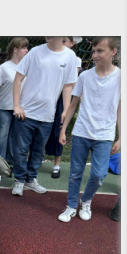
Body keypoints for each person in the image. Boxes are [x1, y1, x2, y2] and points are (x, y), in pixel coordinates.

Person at [58, 37, 121, 222]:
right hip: (81, 132)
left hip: (105, 134)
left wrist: (121, 137)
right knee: (75, 173)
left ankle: (86, 200)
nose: (95, 55)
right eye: (93, 51)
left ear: (113, 52)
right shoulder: (85, 76)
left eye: (100, 51)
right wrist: (63, 129)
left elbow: (120, 108)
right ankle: (71, 206)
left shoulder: (121, 77)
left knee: (99, 174)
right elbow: (73, 104)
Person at [11, 36, 78, 196]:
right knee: (20, 150)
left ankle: (31, 179)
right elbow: (18, 79)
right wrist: (16, 106)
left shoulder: (70, 56)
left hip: (48, 115)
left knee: (38, 151)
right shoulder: (35, 52)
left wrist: (66, 109)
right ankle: (19, 179)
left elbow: (68, 86)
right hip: (26, 113)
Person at [0, 37, 29, 163]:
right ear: (15, 49)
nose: (27, 50)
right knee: (1, 137)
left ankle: (10, 162)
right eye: (24, 48)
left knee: (15, 137)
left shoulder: (27, 68)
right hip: (4, 108)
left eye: (27, 48)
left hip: (21, 109)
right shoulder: (4, 68)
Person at [45, 36, 83, 178]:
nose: (61, 43)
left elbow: (71, 82)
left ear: (72, 43)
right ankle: (36, 159)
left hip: (63, 98)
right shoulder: (50, 56)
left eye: (64, 41)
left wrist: (66, 106)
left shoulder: (75, 59)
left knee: (59, 128)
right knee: (43, 127)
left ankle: (56, 165)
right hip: (49, 94)